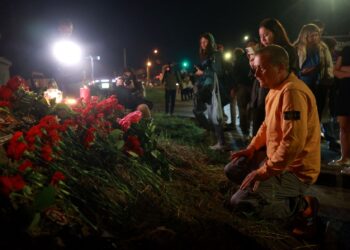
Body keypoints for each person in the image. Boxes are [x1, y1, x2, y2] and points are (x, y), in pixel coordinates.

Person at [225, 45, 320, 237]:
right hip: (276, 162)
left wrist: (264, 171)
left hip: (295, 171)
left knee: (240, 204)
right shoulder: (275, 89)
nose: (256, 73)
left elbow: (292, 143)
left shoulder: (292, 92)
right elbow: (266, 126)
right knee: (233, 169)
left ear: (281, 68)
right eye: (256, 68)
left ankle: (301, 206)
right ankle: (265, 191)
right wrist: (251, 149)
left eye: (262, 68)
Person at [193, 32, 227, 150]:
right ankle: (214, 136)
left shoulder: (216, 54)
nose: (203, 44)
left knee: (214, 114)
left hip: (214, 88)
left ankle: (220, 142)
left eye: (205, 42)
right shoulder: (206, 56)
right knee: (209, 113)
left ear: (211, 42)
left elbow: (219, 71)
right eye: (201, 42)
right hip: (206, 87)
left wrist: (203, 72)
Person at [294, 24, 334, 121]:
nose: (315, 38)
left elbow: (329, 64)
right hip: (303, 85)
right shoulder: (297, 48)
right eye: (312, 35)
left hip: (320, 85)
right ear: (305, 36)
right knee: (303, 113)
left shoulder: (323, 47)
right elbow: (292, 66)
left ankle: (316, 134)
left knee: (318, 112)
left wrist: (328, 80)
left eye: (316, 35)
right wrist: (301, 73)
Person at [328, 46, 350, 170]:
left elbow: (338, 71)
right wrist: (341, 70)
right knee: (343, 127)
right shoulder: (346, 50)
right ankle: (345, 158)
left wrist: (343, 69)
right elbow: (335, 72)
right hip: (343, 93)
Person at [232, 48, 253, 139]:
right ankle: (254, 129)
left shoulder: (237, 62)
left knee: (242, 109)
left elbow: (234, 76)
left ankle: (245, 131)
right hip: (252, 87)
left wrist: (234, 88)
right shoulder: (250, 59)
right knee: (252, 108)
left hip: (241, 87)